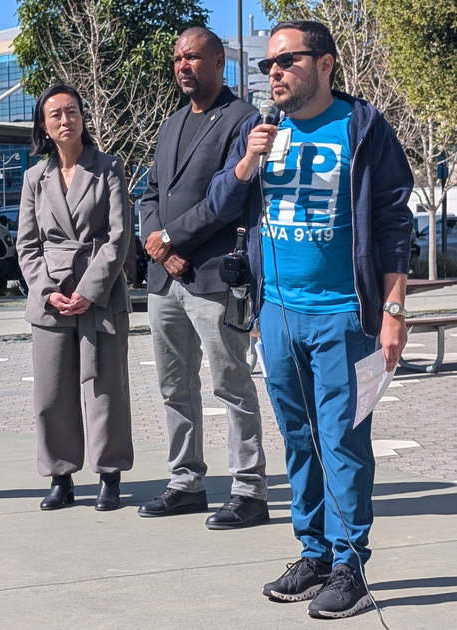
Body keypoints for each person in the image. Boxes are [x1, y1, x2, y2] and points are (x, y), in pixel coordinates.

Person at [206, 20, 413, 619]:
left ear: (324, 64)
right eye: (269, 62)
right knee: (299, 442)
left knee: (343, 442)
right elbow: (221, 204)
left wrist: (394, 310)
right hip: (276, 314)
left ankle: (350, 565)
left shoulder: (364, 127)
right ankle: (314, 552)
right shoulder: (258, 129)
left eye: (287, 60)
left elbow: (395, 225)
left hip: (345, 316)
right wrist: (246, 162)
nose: (273, 71)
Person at [137, 27, 269, 530]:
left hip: (213, 277)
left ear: (219, 60)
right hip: (165, 280)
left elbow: (228, 199)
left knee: (230, 382)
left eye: (192, 57)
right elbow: (149, 193)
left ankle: (248, 490)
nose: (182, 66)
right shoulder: (170, 125)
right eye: (177, 59)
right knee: (174, 386)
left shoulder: (241, 119)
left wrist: (171, 238)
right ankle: (186, 481)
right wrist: (155, 240)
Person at [17, 84, 134, 512]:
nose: (65, 121)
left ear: (84, 117)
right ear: (44, 127)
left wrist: (89, 290)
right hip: (50, 297)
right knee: (51, 392)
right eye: (55, 115)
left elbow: (120, 235)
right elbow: (27, 246)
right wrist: (48, 293)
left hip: (99, 292)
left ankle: (110, 475)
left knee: (106, 389)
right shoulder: (35, 177)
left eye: (72, 112)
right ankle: (61, 477)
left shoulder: (108, 167)